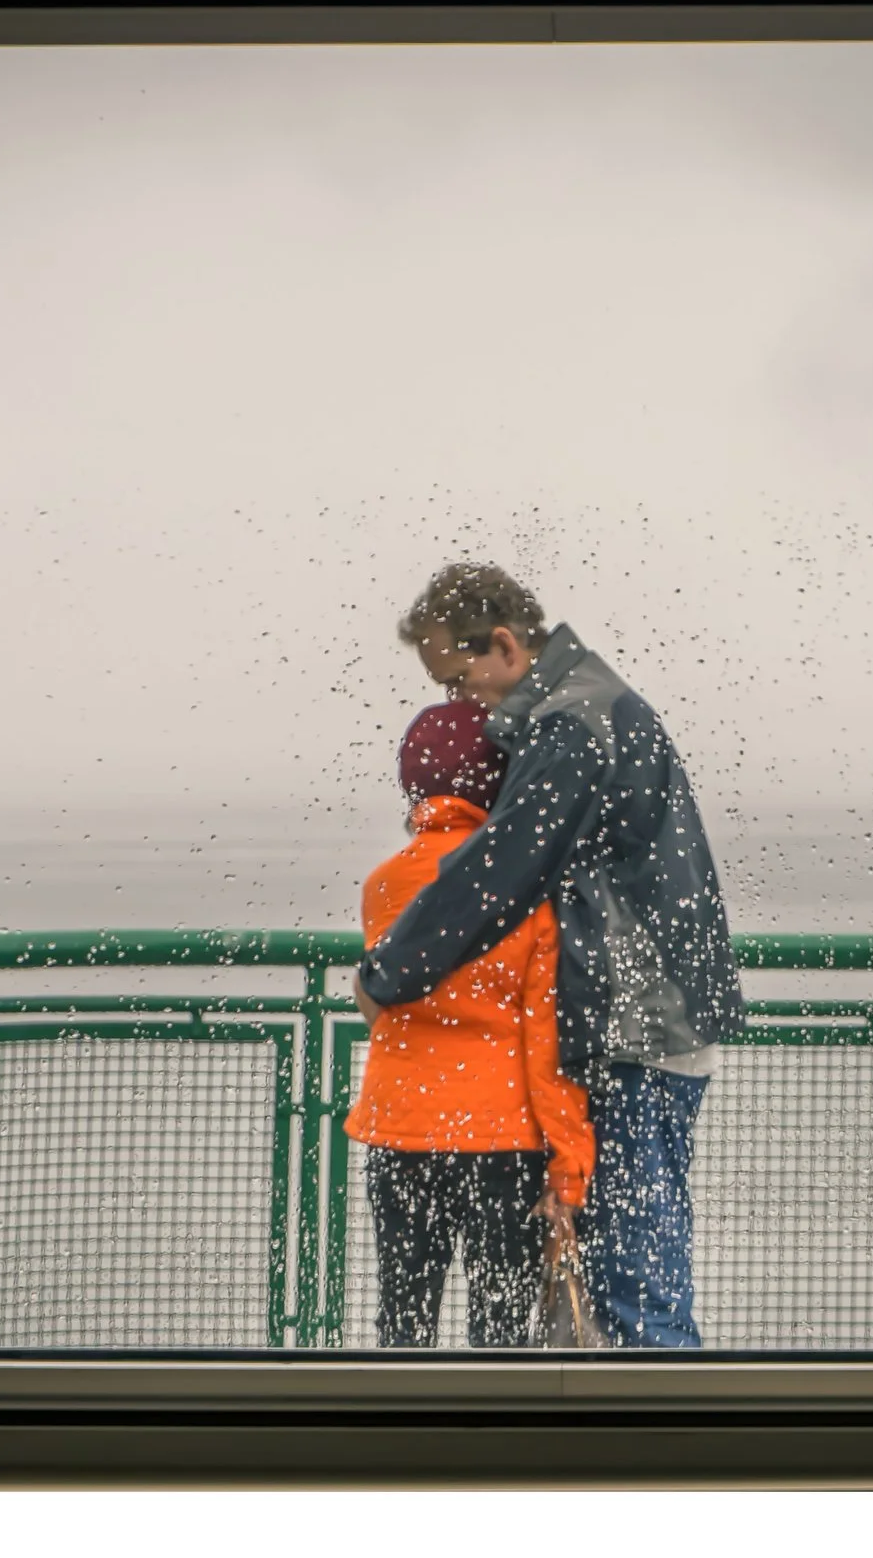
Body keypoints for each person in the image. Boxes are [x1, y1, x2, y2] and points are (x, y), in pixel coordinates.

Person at [356, 564, 743, 1349]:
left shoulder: (572, 726)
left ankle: (673, 1453)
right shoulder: (596, 704)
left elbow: (496, 871)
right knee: (624, 1273)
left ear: (503, 644)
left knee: (633, 1283)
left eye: (462, 682)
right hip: (656, 1019)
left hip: (641, 1029)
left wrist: (387, 973)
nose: (466, 708)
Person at [345, 698, 594, 1349]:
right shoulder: (526, 887)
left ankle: (401, 1442)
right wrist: (569, 1172)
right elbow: (548, 1042)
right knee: (502, 1327)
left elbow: (382, 999)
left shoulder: (382, 886)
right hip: (500, 1139)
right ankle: (494, 1445)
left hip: (399, 1128)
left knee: (404, 1319)